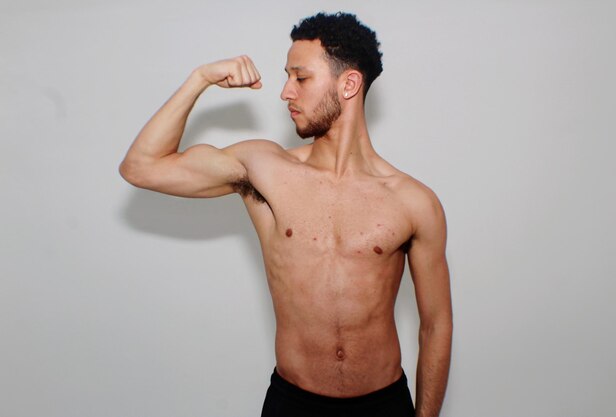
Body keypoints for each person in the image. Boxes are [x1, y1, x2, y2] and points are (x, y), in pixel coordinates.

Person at [119, 12, 452, 417]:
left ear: (349, 84)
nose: (285, 92)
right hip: (293, 403)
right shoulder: (263, 169)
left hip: (384, 404)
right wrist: (200, 78)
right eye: (287, 77)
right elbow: (141, 167)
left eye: (301, 78)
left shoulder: (414, 202)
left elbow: (435, 325)